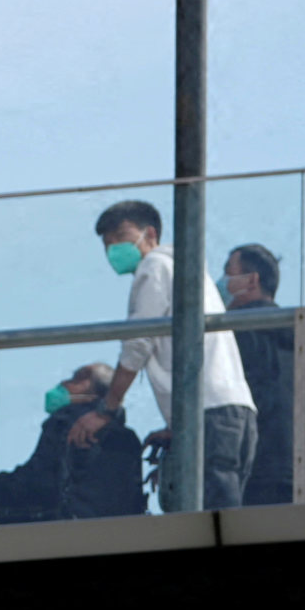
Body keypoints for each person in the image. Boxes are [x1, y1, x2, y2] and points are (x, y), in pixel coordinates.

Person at [95, 200, 254, 512]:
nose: (114, 247)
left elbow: (137, 344)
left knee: (205, 526)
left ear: (150, 233)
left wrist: (108, 408)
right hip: (232, 414)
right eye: (107, 243)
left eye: (121, 235)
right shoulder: (188, 271)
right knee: (222, 516)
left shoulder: (154, 266)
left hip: (209, 414)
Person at [221, 244, 305, 506]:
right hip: (300, 474)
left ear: (251, 280)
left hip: (252, 470)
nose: (223, 283)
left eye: (228, 273)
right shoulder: (302, 337)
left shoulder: (233, 333)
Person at [0, 364, 149, 525]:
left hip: (67, 535)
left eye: (76, 379)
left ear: (95, 395)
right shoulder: (127, 436)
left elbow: (37, 479)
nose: (63, 383)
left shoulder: (67, 424)